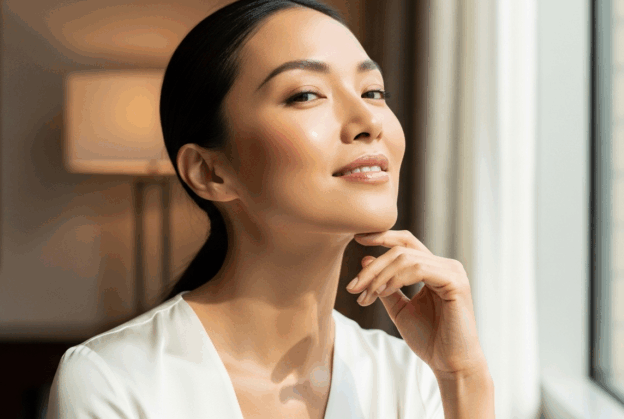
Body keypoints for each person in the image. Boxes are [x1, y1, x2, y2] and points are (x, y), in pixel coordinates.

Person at [45, 1, 495, 418]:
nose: (369, 121)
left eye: (373, 91)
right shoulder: (116, 378)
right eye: (305, 95)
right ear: (209, 171)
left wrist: (463, 378)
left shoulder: (411, 378)